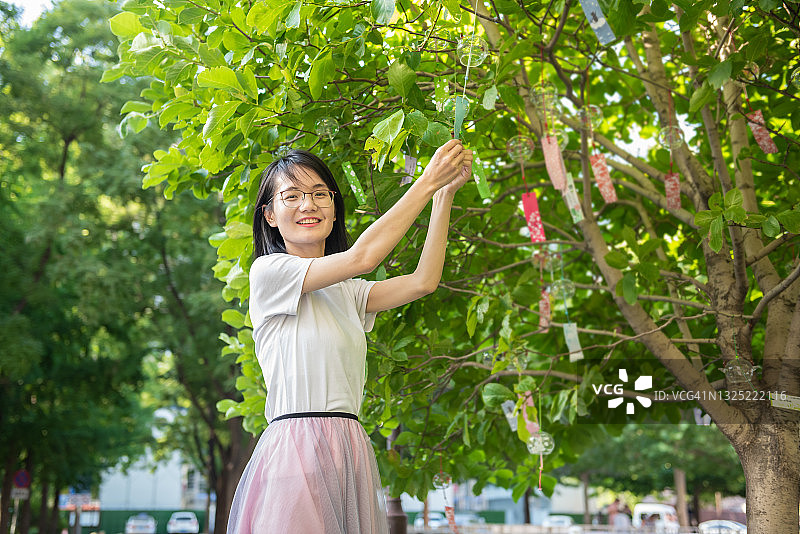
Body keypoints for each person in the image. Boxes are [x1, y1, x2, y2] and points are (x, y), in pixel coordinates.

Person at [227, 139, 473, 534]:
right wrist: (425, 182)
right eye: (292, 196)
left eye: (320, 194)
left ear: (334, 207)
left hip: (348, 442)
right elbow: (363, 256)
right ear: (270, 215)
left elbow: (423, 282)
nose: (308, 205)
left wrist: (443, 195)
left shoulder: (350, 292)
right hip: (296, 443)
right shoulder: (269, 273)